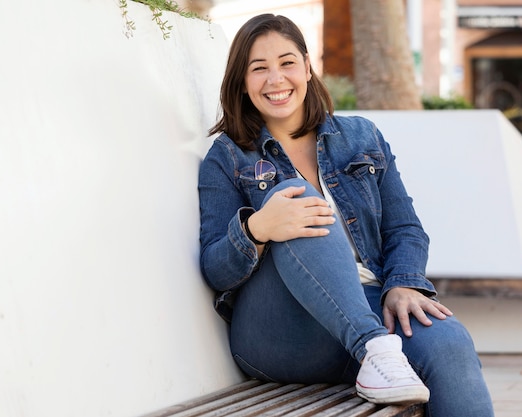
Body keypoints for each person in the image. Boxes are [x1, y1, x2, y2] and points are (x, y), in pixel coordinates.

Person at [198, 13, 494, 417]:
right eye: (258, 68)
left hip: (373, 304)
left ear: (307, 66)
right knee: (292, 197)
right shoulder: (229, 156)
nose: (275, 79)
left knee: (451, 345)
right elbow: (215, 269)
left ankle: (376, 350)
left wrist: (404, 285)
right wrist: (256, 228)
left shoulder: (361, 137)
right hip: (284, 331)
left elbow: (405, 229)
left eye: (286, 63)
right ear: (241, 80)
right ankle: (374, 346)